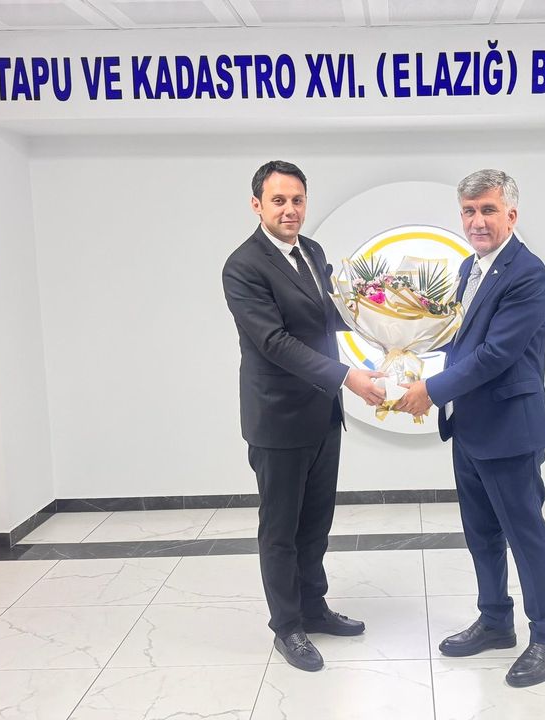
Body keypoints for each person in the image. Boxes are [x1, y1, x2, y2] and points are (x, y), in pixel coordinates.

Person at [395, 169, 545, 688]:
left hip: (509, 428)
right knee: (482, 533)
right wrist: (400, 350)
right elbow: (459, 339)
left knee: (525, 534)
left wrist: (430, 390)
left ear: (511, 214)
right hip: (468, 426)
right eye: (469, 211)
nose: (477, 221)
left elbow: (495, 355)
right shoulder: (470, 266)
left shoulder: (527, 273)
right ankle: (495, 622)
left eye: (488, 210)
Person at [222, 160, 386, 672]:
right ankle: (287, 626)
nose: (290, 209)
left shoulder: (312, 252)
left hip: (322, 414)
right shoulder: (243, 266)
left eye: (297, 200)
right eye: (279, 201)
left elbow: (331, 316)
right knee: (281, 529)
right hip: (278, 419)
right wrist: (347, 377)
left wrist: (393, 323)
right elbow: (273, 342)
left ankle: (314, 608)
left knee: (315, 523)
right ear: (257, 205)